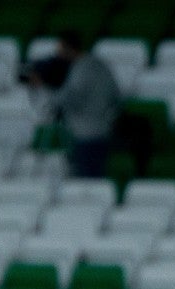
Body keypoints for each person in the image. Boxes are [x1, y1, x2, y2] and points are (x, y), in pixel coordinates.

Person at [41, 30, 122, 178]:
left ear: (68, 48)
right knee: (94, 178)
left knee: (86, 181)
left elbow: (71, 98)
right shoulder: (100, 65)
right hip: (102, 130)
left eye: (60, 51)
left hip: (86, 134)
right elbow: (116, 95)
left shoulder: (82, 69)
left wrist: (47, 89)